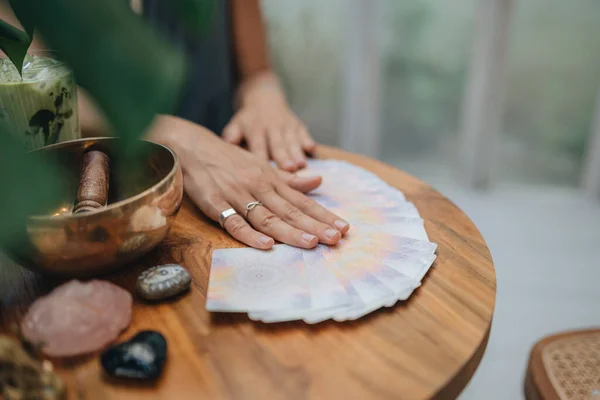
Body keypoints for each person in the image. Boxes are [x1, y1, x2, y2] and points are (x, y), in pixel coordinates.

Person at [0, 0, 350, 250]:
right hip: (105, 204)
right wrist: (170, 135)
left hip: (231, 175)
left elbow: (257, 73)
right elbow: (28, 86)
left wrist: (264, 96)